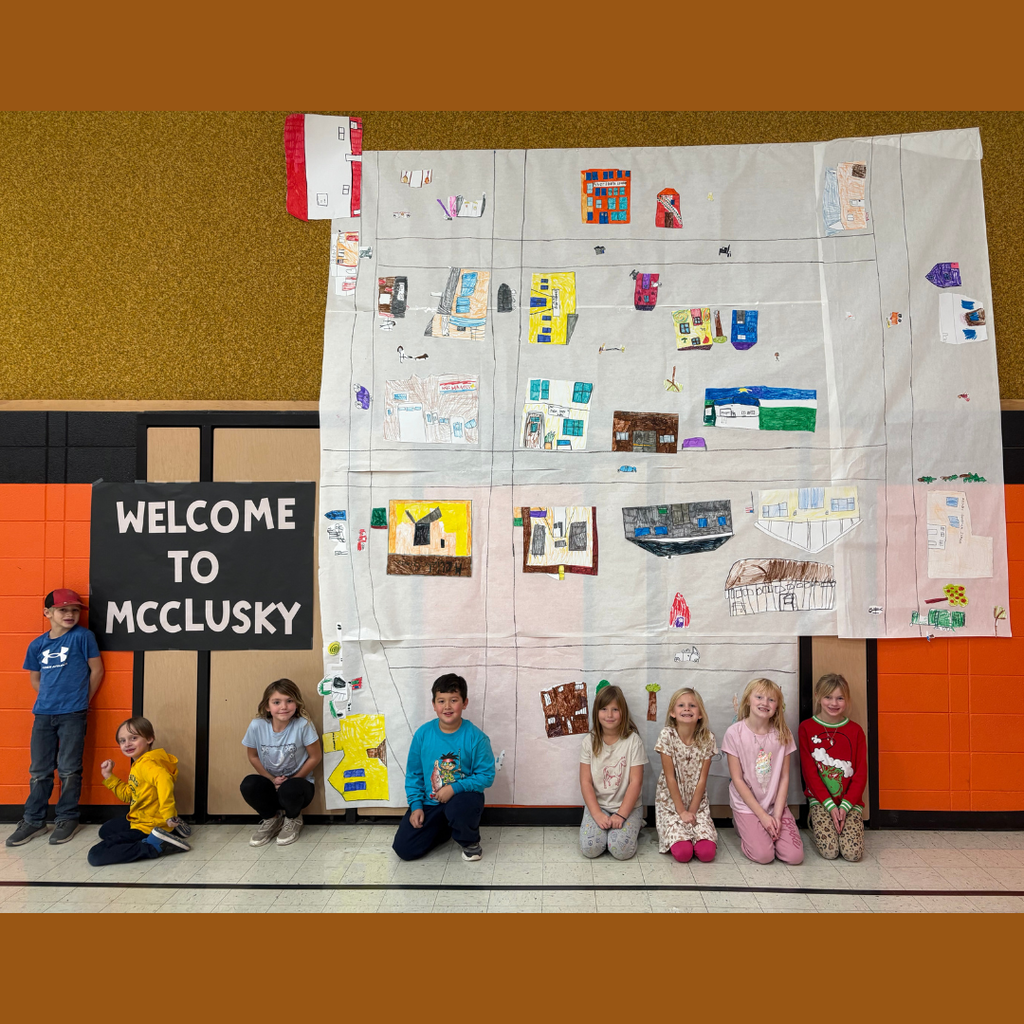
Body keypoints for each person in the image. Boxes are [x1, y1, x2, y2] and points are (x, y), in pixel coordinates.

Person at [6, 589, 105, 848]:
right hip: (43, 714)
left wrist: (82, 700)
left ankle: (67, 817)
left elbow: (96, 670)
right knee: (39, 770)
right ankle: (34, 820)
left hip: (73, 713)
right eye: (63, 610)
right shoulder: (37, 645)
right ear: (47, 613)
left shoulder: (83, 637)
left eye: (74, 610)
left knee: (69, 769)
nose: (69, 614)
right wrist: (49, 698)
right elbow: (35, 678)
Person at [392, 673, 495, 862]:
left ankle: (470, 842)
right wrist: (416, 806)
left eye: (453, 700)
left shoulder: (476, 738)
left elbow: (486, 775)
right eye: (441, 701)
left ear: (464, 703)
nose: (447, 706)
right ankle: (445, 828)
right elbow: (414, 774)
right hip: (430, 803)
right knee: (404, 849)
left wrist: (454, 788)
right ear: (434, 705)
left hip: (461, 799)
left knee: (460, 807)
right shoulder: (423, 734)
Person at [721, 678, 804, 865]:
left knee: (795, 857)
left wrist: (777, 815)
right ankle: (744, 826)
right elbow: (737, 779)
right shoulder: (734, 733)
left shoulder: (783, 734)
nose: (765, 703)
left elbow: (784, 778)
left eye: (771, 700)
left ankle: (764, 830)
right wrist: (763, 816)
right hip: (747, 805)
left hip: (775, 805)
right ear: (748, 700)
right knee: (764, 856)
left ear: (777, 706)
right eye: (759, 697)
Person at [87, 717, 191, 865]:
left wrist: (169, 813)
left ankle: (155, 846)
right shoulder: (141, 763)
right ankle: (169, 829)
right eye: (122, 740)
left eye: (133, 738)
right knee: (106, 830)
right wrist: (109, 776)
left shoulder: (146, 765)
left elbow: (164, 779)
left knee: (95, 855)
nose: (127, 744)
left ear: (149, 738)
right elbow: (129, 795)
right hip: (143, 818)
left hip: (147, 825)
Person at [241, 679, 322, 847]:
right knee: (249, 784)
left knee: (290, 789)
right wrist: (272, 779)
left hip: (298, 786)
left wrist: (293, 779)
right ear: (267, 706)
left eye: (289, 701)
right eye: (277, 702)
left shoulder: (303, 725)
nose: (284, 707)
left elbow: (315, 757)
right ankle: (272, 819)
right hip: (272, 784)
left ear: (297, 704)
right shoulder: (257, 726)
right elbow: (253, 756)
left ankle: (293, 819)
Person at [799, 673, 867, 862]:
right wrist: (829, 806)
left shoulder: (856, 731)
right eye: (828, 697)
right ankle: (816, 822)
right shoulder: (806, 728)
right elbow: (810, 773)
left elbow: (861, 774)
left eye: (840, 698)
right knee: (830, 852)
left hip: (849, 803)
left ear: (847, 700)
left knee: (852, 854)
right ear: (817, 696)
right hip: (821, 801)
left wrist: (845, 806)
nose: (834, 703)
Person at [579, 683, 648, 860]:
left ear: (623, 712)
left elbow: (636, 782)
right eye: (604, 709)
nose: (609, 715)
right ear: (596, 712)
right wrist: (596, 813)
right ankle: (606, 828)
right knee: (591, 849)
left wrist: (621, 814)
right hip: (599, 805)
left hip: (628, 807)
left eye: (615, 709)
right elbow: (585, 782)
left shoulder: (633, 741)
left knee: (620, 850)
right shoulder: (589, 742)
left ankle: (636, 823)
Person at [654, 687, 717, 863]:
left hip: (697, 804)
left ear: (700, 714)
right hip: (671, 804)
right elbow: (670, 777)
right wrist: (682, 812)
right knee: (683, 853)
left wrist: (692, 812)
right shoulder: (667, 735)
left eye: (692, 705)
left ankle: (697, 833)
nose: (687, 708)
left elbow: (702, 779)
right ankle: (680, 835)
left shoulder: (708, 738)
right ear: (673, 713)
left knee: (706, 853)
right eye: (681, 705)